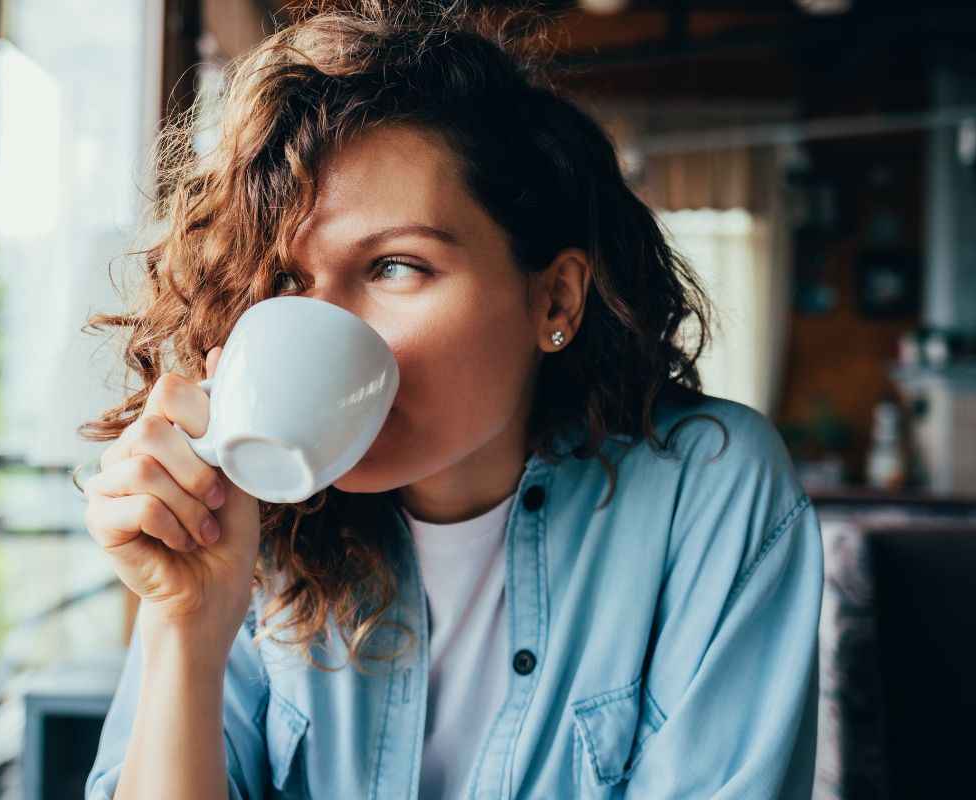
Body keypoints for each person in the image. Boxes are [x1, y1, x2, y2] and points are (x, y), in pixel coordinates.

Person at [79, 1, 824, 798]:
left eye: (396, 266)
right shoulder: (244, 521)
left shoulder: (706, 488)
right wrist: (188, 624)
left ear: (555, 303)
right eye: (289, 281)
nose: (319, 324)